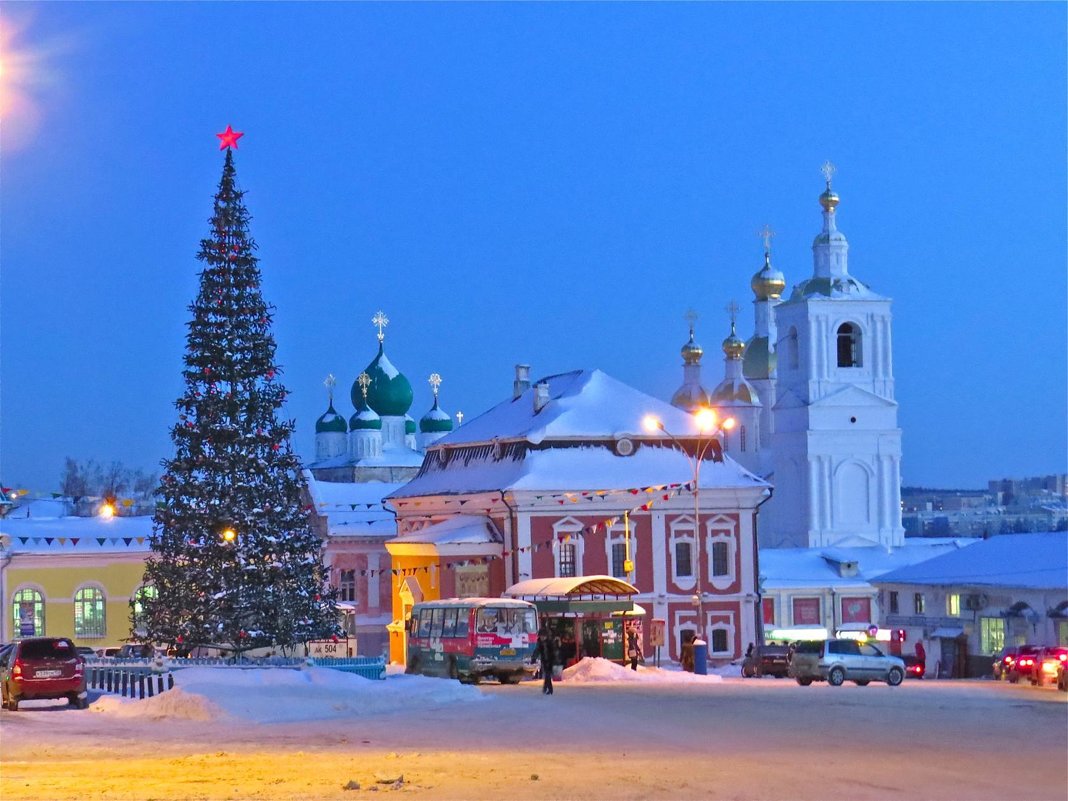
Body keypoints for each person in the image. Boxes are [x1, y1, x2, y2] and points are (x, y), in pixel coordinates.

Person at [534, 626, 557, 695]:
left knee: (547, 675)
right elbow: (537, 651)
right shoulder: (540, 643)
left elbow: (555, 651)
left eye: (543, 636)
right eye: (541, 636)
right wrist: (533, 658)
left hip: (551, 661)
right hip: (544, 660)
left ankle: (547, 688)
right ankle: (548, 688)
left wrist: (555, 659)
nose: (542, 638)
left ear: (546, 636)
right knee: (547, 675)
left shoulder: (550, 642)